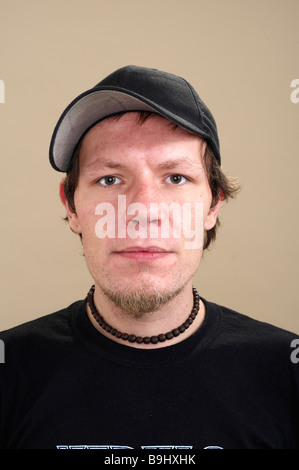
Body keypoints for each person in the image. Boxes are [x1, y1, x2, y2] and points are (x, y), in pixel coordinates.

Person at [0, 66, 298, 450]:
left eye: (175, 177)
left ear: (213, 205)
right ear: (71, 206)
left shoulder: (286, 374)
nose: (142, 209)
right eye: (110, 179)